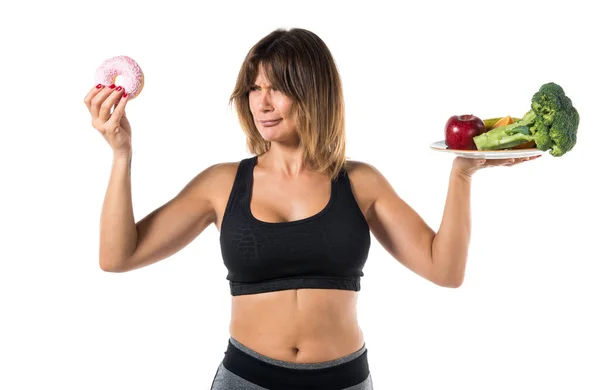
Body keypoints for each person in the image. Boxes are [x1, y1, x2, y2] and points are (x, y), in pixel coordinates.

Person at [84, 28, 537, 390]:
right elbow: (117, 257)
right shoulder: (222, 184)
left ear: (313, 92)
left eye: (277, 88)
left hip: (342, 381)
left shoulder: (361, 182)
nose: (262, 102)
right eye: (254, 88)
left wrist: (461, 175)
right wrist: (121, 155)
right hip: (248, 379)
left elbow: (445, 270)